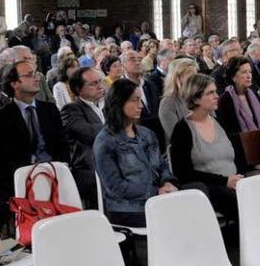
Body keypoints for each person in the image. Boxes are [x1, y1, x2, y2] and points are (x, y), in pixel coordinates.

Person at [94, 79, 188, 227]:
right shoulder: (105, 141)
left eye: (140, 100)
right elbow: (115, 187)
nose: (140, 105)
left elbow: (161, 165)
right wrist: (155, 191)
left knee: (193, 206)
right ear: (119, 103)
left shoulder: (147, 134)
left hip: (157, 198)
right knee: (177, 216)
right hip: (126, 207)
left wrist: (168, 182)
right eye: (134, 101)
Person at [170, 74, 248, 220]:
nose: (216, 96)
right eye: (210, 93)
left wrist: (238, 178)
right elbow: (183, 173)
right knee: (239, 202)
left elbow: (239, 157)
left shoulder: (221, 123)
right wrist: (225, 181)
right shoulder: (182, 129)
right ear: (195, 98)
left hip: (234, 182)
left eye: (215, 91)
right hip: (209, 188)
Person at [0, 61, 69, 197]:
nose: (37, 78)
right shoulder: (0, 117)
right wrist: (31, 173)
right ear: (14, 83)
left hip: (54, 173)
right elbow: (0, 159)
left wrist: (58, 168)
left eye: (36, 73)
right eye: (29, 75)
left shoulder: (50, 110)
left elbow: (62, 145)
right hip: (23, 179)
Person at [61, 67, 106, 208]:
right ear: (79, 89)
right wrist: (117, 126)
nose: (100, 86)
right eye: (93, 84)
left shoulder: (108, 105)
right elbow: (90, 133)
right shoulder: (71, 110)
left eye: (100, 81)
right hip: (89, 169)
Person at [216, 56, 260, 138]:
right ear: (233, 76)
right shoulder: (225, 100)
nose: (249, 76)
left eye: (250, 72)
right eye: (244, 72)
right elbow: (229, 130)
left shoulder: (254, 94)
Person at [157, 57, 198, 143]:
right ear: (178, 78)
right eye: (191, 75)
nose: (196, 79)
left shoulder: (200, 98)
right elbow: (177, 137)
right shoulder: (167, 103)